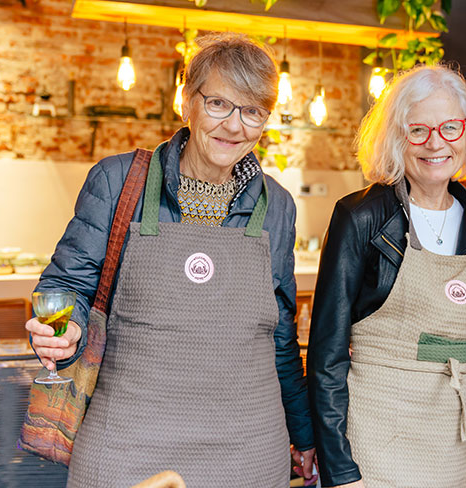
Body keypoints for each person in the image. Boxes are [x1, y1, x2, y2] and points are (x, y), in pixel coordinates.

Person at [25, 33, 314, 488]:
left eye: (253, 111)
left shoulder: (277, 207)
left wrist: (304, 432)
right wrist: (65, 332)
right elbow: (66, 287)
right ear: (186, 101)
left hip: (248, 453)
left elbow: (279, 334)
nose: (234, 126)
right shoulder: (118, 181)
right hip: (128, 446)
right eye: (218, 103)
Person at [307, 65, 466, 488]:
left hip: (457, 439)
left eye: (449, 127)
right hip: (378, 434)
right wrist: (340, 469)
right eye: (418, 130)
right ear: (395, 136)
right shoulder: (361, 217)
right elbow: (326, 355)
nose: (435, 143)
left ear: (465, 133)